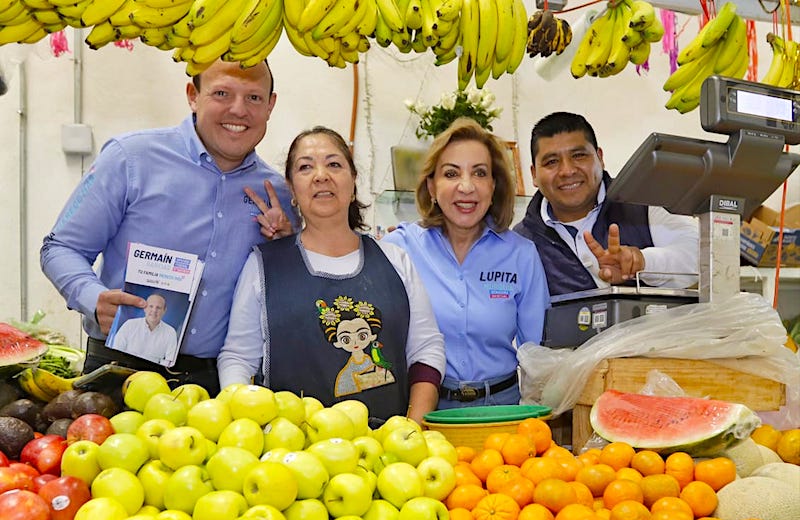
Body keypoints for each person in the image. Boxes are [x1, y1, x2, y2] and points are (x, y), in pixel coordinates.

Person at [40, 59, 298, 395]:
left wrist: (285, 248)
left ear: (270, 105)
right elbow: (60, 248)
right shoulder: (131, 158)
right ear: (193, 95)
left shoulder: (277, 193)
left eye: (253, 98)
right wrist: (94, 297)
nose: (239, 110)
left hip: (214, 385)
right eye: (222, 93)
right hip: (120, 369)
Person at [218, 126, 446, 424]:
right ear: (292, 188)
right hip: (292, 457)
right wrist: (247, 425)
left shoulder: (394, 260)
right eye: (305, 167)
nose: (321, 175)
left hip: (388, 451)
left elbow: (426, 348)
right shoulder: (264, 266)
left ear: (353, 181)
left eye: (334, 164)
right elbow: (238, 357)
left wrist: (414, 427)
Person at [383, 117, 549, 409]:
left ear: (494, 186)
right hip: (426, 410)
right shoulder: (401, 249)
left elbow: (538, 354)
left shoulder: (522, 254)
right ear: (431, 186)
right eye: (451, 173)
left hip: (504, 410)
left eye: (480, 173)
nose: (466, 186)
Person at [514, 112, 699, 297]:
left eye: (578, 156)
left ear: (600, 158)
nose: (567, 170)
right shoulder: (520, 241)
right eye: (552, 162)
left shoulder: (643, 199)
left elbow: (698, 259)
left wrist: (642, 262)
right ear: (534, 175)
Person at [109, 293, 178, 365]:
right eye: (151, 306)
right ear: (145, 308)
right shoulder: (129, 325)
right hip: (126, 366)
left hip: (154, 372)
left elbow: (169, 361)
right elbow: (116, 351)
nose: (154, 310)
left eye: (158, 308)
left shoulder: (170, 332)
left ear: (164, 310)